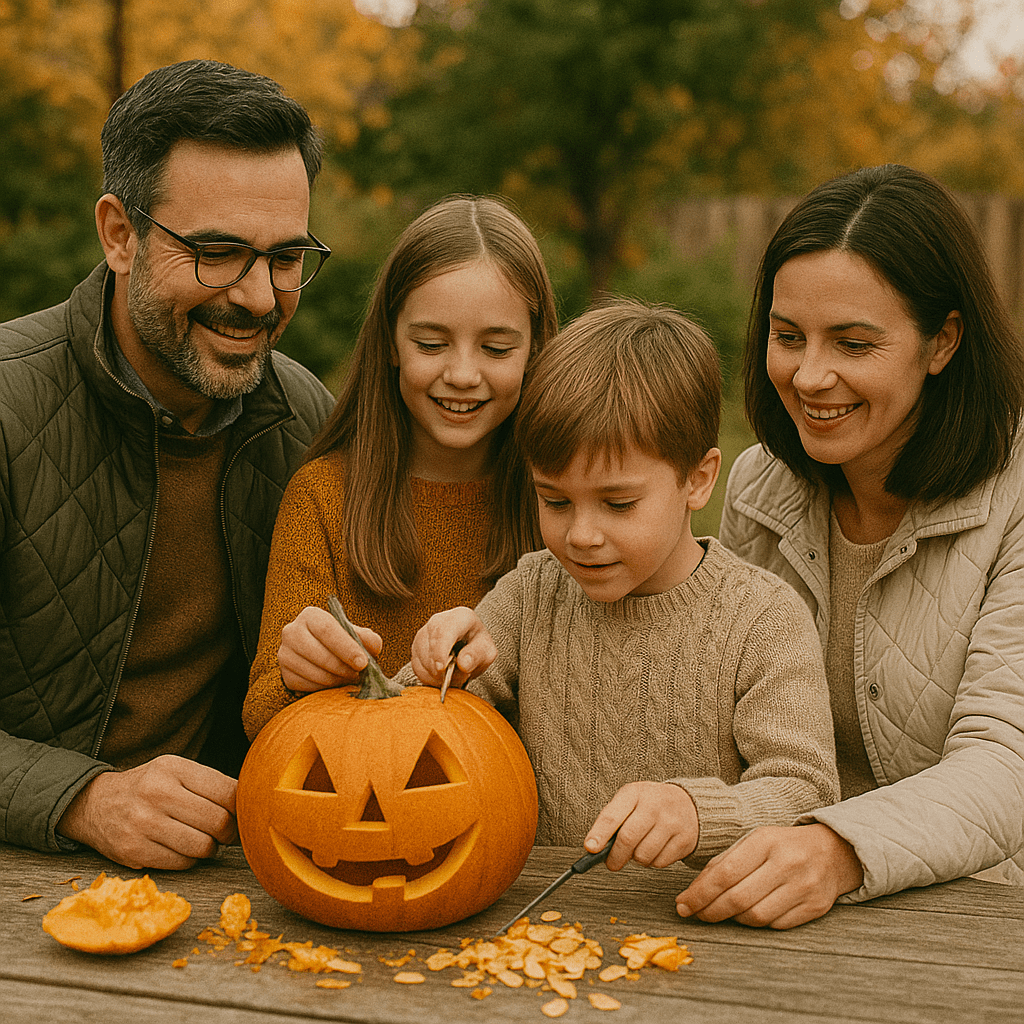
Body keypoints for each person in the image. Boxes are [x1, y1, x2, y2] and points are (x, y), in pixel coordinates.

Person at [0, 60, 336, 870]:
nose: (258, 297)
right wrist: (83, 797)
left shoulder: (307, 423)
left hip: (227, 883)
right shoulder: (9, 410)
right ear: (121, 234)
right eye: (217, 251)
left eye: (286, 257)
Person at [676, 163, 1024, 930]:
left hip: (981, 914)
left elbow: (1008, 765)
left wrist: (837, 849)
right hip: (789, 905)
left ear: (943, 342)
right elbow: (719, 717)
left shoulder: (1016, 500)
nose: (809, 376)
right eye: (787, 336)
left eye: (854, 344)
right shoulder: (760, 485)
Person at [407, 301, 839, 872]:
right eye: (554, 500)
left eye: (618, 504)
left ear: (697, 479)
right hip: (542, 931)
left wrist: (697, 811)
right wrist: (440, 670)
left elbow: (806, 791)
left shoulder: (763, 618)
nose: (582, 535)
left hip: (702, 931)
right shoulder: (532, 593)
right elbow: (413, 741)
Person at [241, 195, 558, 737]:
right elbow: (263, 722)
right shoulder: (324, 498)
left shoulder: (562, 497)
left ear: (535, 349)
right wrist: (296, 675)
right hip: (364, 796)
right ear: (391, 341)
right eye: (431, 344)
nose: (462, 373)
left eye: (497, 349)